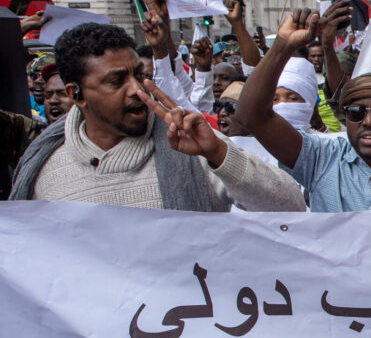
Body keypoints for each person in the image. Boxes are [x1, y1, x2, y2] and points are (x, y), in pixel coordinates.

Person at [10, 23, 305, 212]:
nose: (138, 91)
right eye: (117, 82)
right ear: (77, 94)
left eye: (140, 76)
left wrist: (218, 153)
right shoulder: (44, 169)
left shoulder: (190, 143)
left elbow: (290, 206)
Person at [236, 9, 371, 212]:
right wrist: (283, 45)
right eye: (356, 113)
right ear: (346, 116)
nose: (369, 121)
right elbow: (251, 116)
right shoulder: (321, 158)